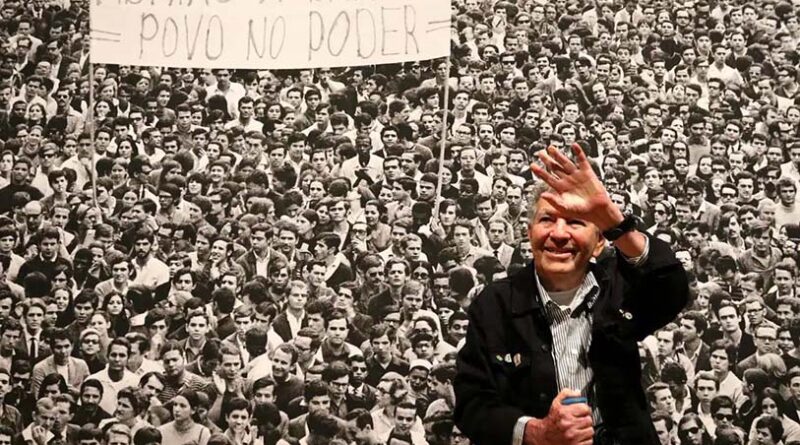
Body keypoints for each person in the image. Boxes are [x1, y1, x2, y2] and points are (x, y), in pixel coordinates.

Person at [455, 144, 689, 444]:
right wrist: (536, 432)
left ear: (600, 242)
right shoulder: (494, 303)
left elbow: (671, 287)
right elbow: (472, 404)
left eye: (576, 221)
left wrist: (614, 220)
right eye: (547, 219)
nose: (559, 233)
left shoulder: (618, 289)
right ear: (529, 234)